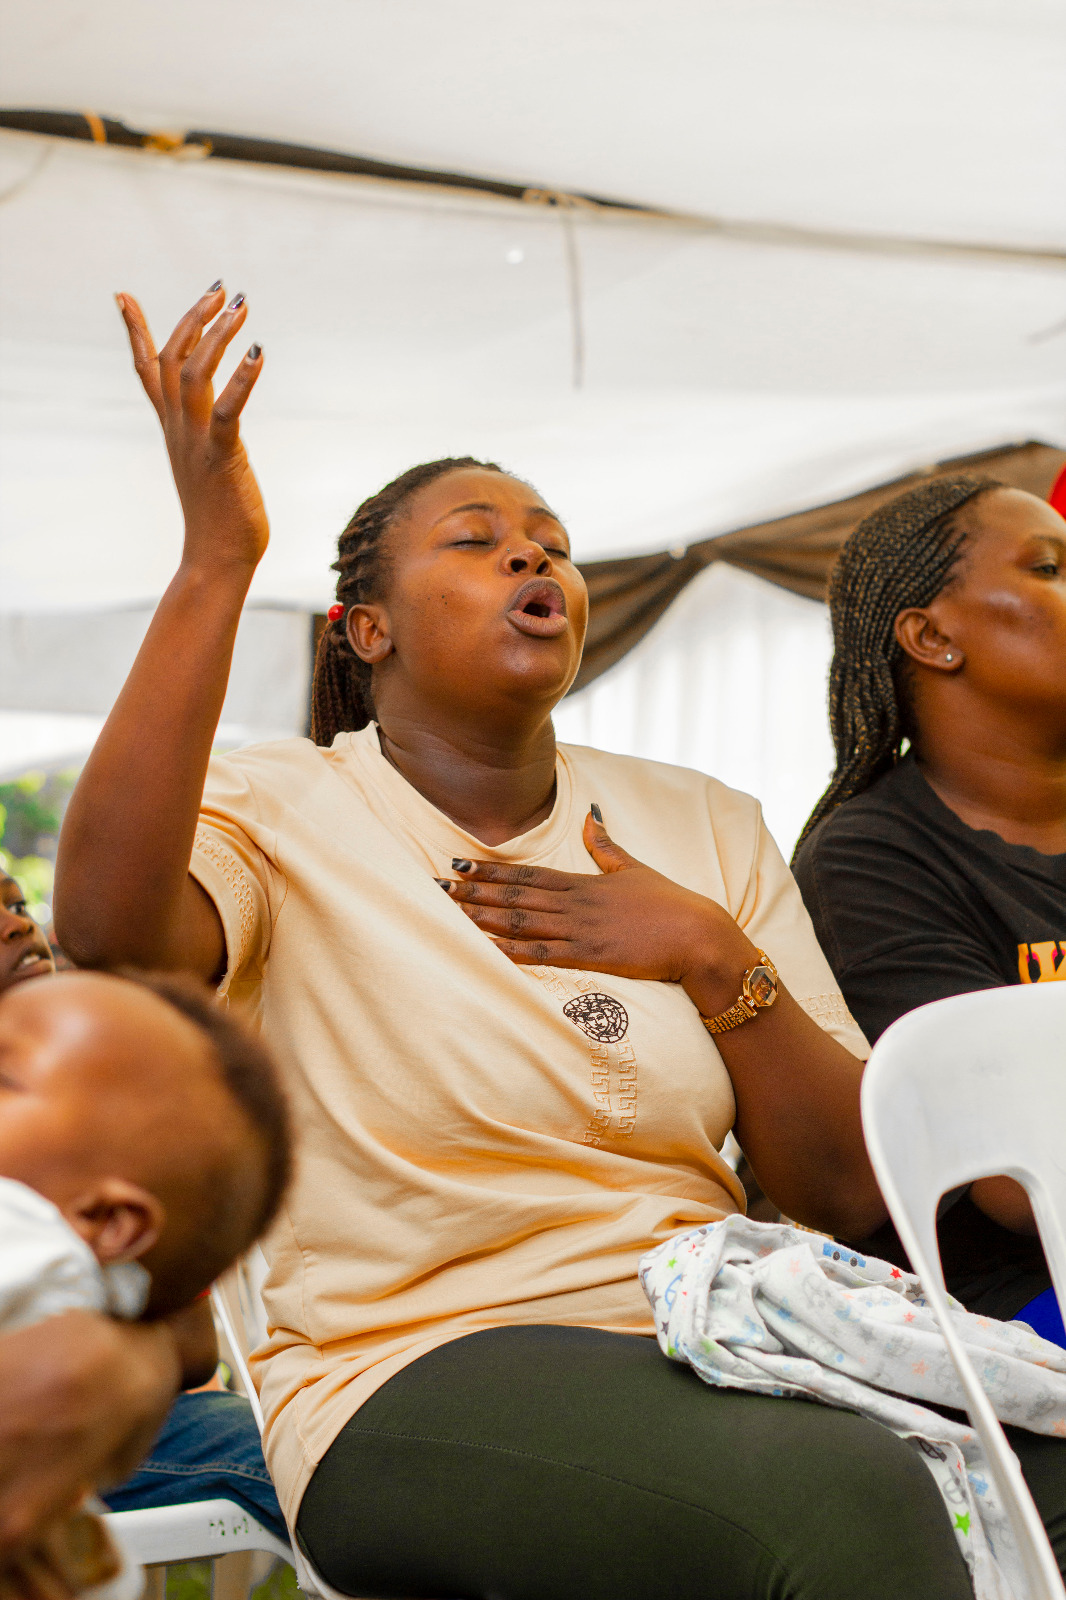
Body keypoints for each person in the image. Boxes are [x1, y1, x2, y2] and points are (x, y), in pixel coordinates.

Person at [51, 283, 1066, 1600]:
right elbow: (113, 937)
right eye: (478, 543)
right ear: (368, 631)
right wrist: (215, 563)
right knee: (841, 1499)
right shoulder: (281, 805)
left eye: (554, 545)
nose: (535, 561)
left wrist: (712, 959)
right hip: (406, 1362)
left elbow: (843, 1190)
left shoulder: (701, 822)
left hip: (718, 1321)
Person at [792, 475, 1066, 1336]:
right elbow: (1023, 1181)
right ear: (934, 637)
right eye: (1050, 567)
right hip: (1016, 1309)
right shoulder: (869, 858)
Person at [0, 875, 290, 1549]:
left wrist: (114, 1367)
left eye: (16, 905)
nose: (15, 925)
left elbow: (190, 1351)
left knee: (267, 1449)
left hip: (131, 1436)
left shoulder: (41, 1221)